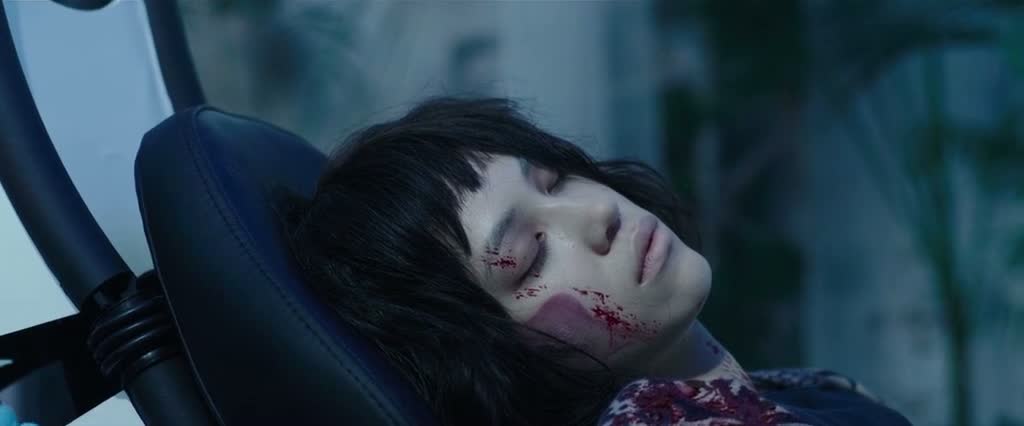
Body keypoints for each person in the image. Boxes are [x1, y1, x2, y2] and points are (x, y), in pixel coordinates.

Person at [279, 97, 911, 425]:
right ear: (486, 358)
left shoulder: (800, 388)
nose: (596, 214)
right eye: (529, 257)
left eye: (554, 180)